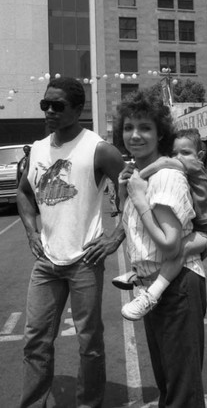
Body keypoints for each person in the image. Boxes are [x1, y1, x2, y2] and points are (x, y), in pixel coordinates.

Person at [17, 77, 125, 408]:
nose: (49, 111)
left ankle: (88, 403)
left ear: (78, 109)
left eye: (58, 105)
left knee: (89, 342)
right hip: (47, 261)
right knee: (35, 339)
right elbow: (24, 192)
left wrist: (115, 236)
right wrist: (31, 231)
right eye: (45, 104)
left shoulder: (99, 149)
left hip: (85, 261)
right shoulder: (36, 149)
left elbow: (133, 191)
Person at [113, 89, 207, 408]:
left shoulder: (166, 177)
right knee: (168, 385)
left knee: (182, 392)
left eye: (145, 127)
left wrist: (139, 200)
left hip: (177, 287)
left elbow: (169, 245)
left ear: (160, 133)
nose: (135, 135)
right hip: (153, 287)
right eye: (128, 127)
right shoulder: (139, 175)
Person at [114, 128, 207, 321]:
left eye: (185, 152)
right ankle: (138, 275)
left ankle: (152, 294)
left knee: (180, 249)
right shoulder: (183, 171)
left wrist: (138, 176)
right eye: (174, 153)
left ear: (199, 156)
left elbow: (163, 162)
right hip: (200, 227)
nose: (179, 158)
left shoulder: (193, 166)